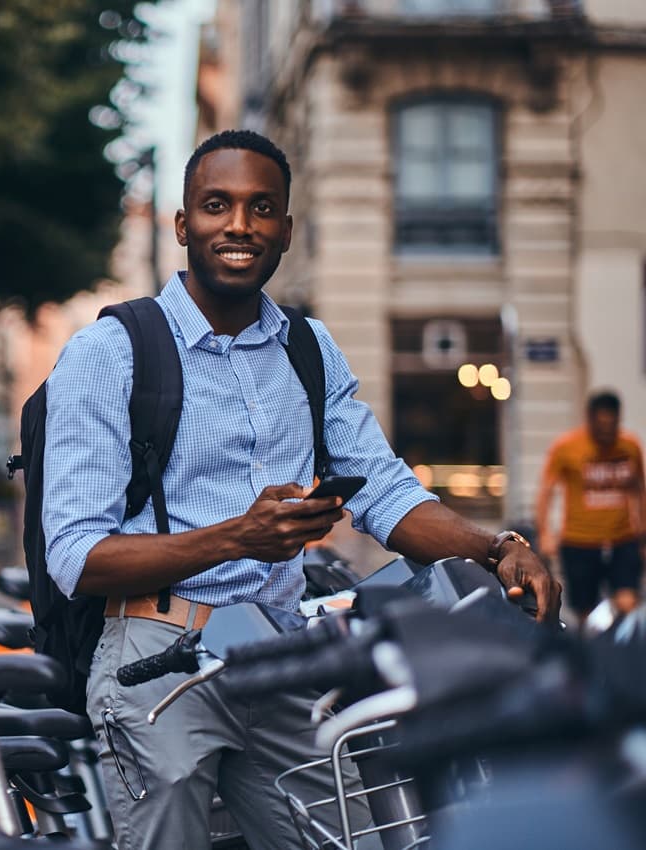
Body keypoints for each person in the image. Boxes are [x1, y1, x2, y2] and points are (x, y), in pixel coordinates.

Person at [41, 129, 560, 850]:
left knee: (346, 839)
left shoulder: (308, 349)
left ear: (286, 228)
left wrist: (495, 546)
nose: (239, 225)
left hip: (278, 655)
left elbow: (384, 490)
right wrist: (238, 537)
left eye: (261, 208)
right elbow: (75, 554)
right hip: (153, 659)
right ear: (184, 222)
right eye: (217, 205)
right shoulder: (111, 352)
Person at [535, 390, 645, 629]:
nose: (607, 430)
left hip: (622, 538)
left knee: (628, 603)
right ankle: (593, 660)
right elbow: (546, 492)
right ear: (590, 419)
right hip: (579, 541)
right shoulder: (566, 447)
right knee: (587, 613)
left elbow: (639, 490)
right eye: (601, 424)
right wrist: (545, 533)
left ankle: (628, 657)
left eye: (612, 424)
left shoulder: (630, 446)